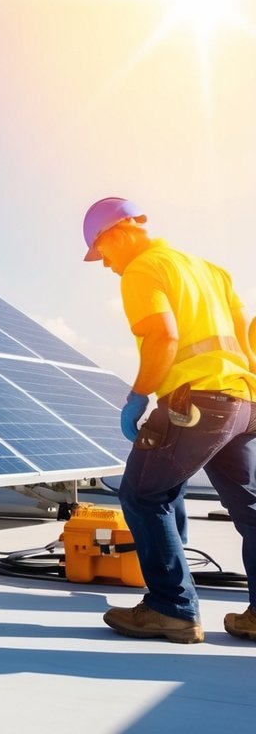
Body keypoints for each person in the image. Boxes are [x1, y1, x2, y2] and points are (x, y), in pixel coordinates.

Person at [82, 196, 256, 644]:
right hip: (241, 401)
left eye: (100, 253)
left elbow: (164, 336)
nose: (104, 265)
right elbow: (245, 338)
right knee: (252, 510)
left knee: (142, 496)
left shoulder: (143, 268)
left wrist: (139, 396)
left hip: (193, 403)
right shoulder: (211, 270)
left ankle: (171, 609)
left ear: (116, 234)